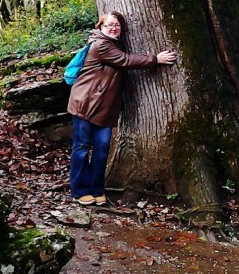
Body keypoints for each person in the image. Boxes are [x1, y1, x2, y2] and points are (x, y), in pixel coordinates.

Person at [67, 11, 176, 206]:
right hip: (84, 103)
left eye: (117, 25)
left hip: (105, 108)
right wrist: (155, 59)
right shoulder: (100, 45)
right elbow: (125, 60)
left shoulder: (115, 43)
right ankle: (79, 190)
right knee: (82, 148)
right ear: (100, 27)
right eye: (109, 25)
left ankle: (97, 189)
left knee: (101, 148)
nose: (113, 28)